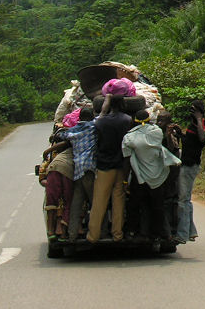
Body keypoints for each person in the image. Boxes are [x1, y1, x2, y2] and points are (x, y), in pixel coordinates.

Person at [122, 110, 181, 242]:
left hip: (140, 178)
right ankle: (157, 234)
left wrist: (125, 181)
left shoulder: (129, 138)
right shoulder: (157, 132)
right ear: (150, 120)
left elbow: (127, 160)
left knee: (134, 205)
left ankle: (132, 231)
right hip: (157, 177)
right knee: (157, 206)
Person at [86, 94, 132, 243]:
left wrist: (103, 111)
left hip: (104, 165)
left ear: (110, 105)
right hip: (121, 165)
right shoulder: (127, 120)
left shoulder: (101, 122)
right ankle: (117, 234)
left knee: (99, 201)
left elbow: (97, 137)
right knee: (118, 201)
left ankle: (93, 236)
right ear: (123, 105)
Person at [56, 107, 97, 242]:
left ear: (79, 118)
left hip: (78, 170)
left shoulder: (73, 130)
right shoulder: (93, 127)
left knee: (76, 204)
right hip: (90, 170)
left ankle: (72, 234)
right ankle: (100, 233)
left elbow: (61, 135)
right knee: (96, 204)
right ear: (92, 117)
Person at [174, 100, 205, 244]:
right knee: (186, 199)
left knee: (183, 200)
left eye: (194, 110)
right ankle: (191, 231)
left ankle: (182, 235)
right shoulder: (192, 126)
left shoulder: (203, 126)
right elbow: (189, 141)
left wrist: (199, 119)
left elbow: (202, 138)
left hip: (190, 166)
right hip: (186, 164)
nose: (191, 112)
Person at [41, 139, 74, 241]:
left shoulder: (53, 156)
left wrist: (47, 151)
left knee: (52, 201)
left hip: (55, 170)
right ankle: (62, 232)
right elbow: (41, 179)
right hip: (66, 171)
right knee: (69, 201)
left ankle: (52, 231)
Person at [156, 110, 182, 235]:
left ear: (168, 122)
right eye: (158, 120)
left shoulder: (173, 133)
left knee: (170, 199)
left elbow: (172, 148)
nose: (159, 122)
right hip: (160, 171)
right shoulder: (155, 132)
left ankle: (171, 228)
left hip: (171, 172)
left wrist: (168, 134)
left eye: (162, 120)